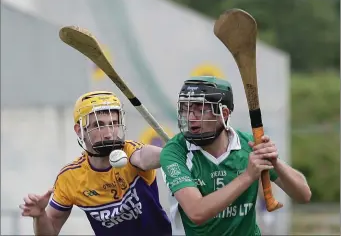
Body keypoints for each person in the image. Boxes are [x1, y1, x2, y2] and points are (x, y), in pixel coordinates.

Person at [160, 76, 311, 236]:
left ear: (223, 113)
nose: (190, 117)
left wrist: (275, 162)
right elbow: (197, 212)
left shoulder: (249, 145)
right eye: (186, 109)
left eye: (200, 109)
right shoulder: (174, 152)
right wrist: (248, 177)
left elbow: (303, 195)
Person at [19, 91, 172, 236]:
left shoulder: (130, 151)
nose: (108, 133)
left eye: (113, 123)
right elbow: (50, 231)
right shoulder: (70, 178)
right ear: (79, 130)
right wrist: (40, 216)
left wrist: (168, 155)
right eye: (99, 125)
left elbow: (143, 157)